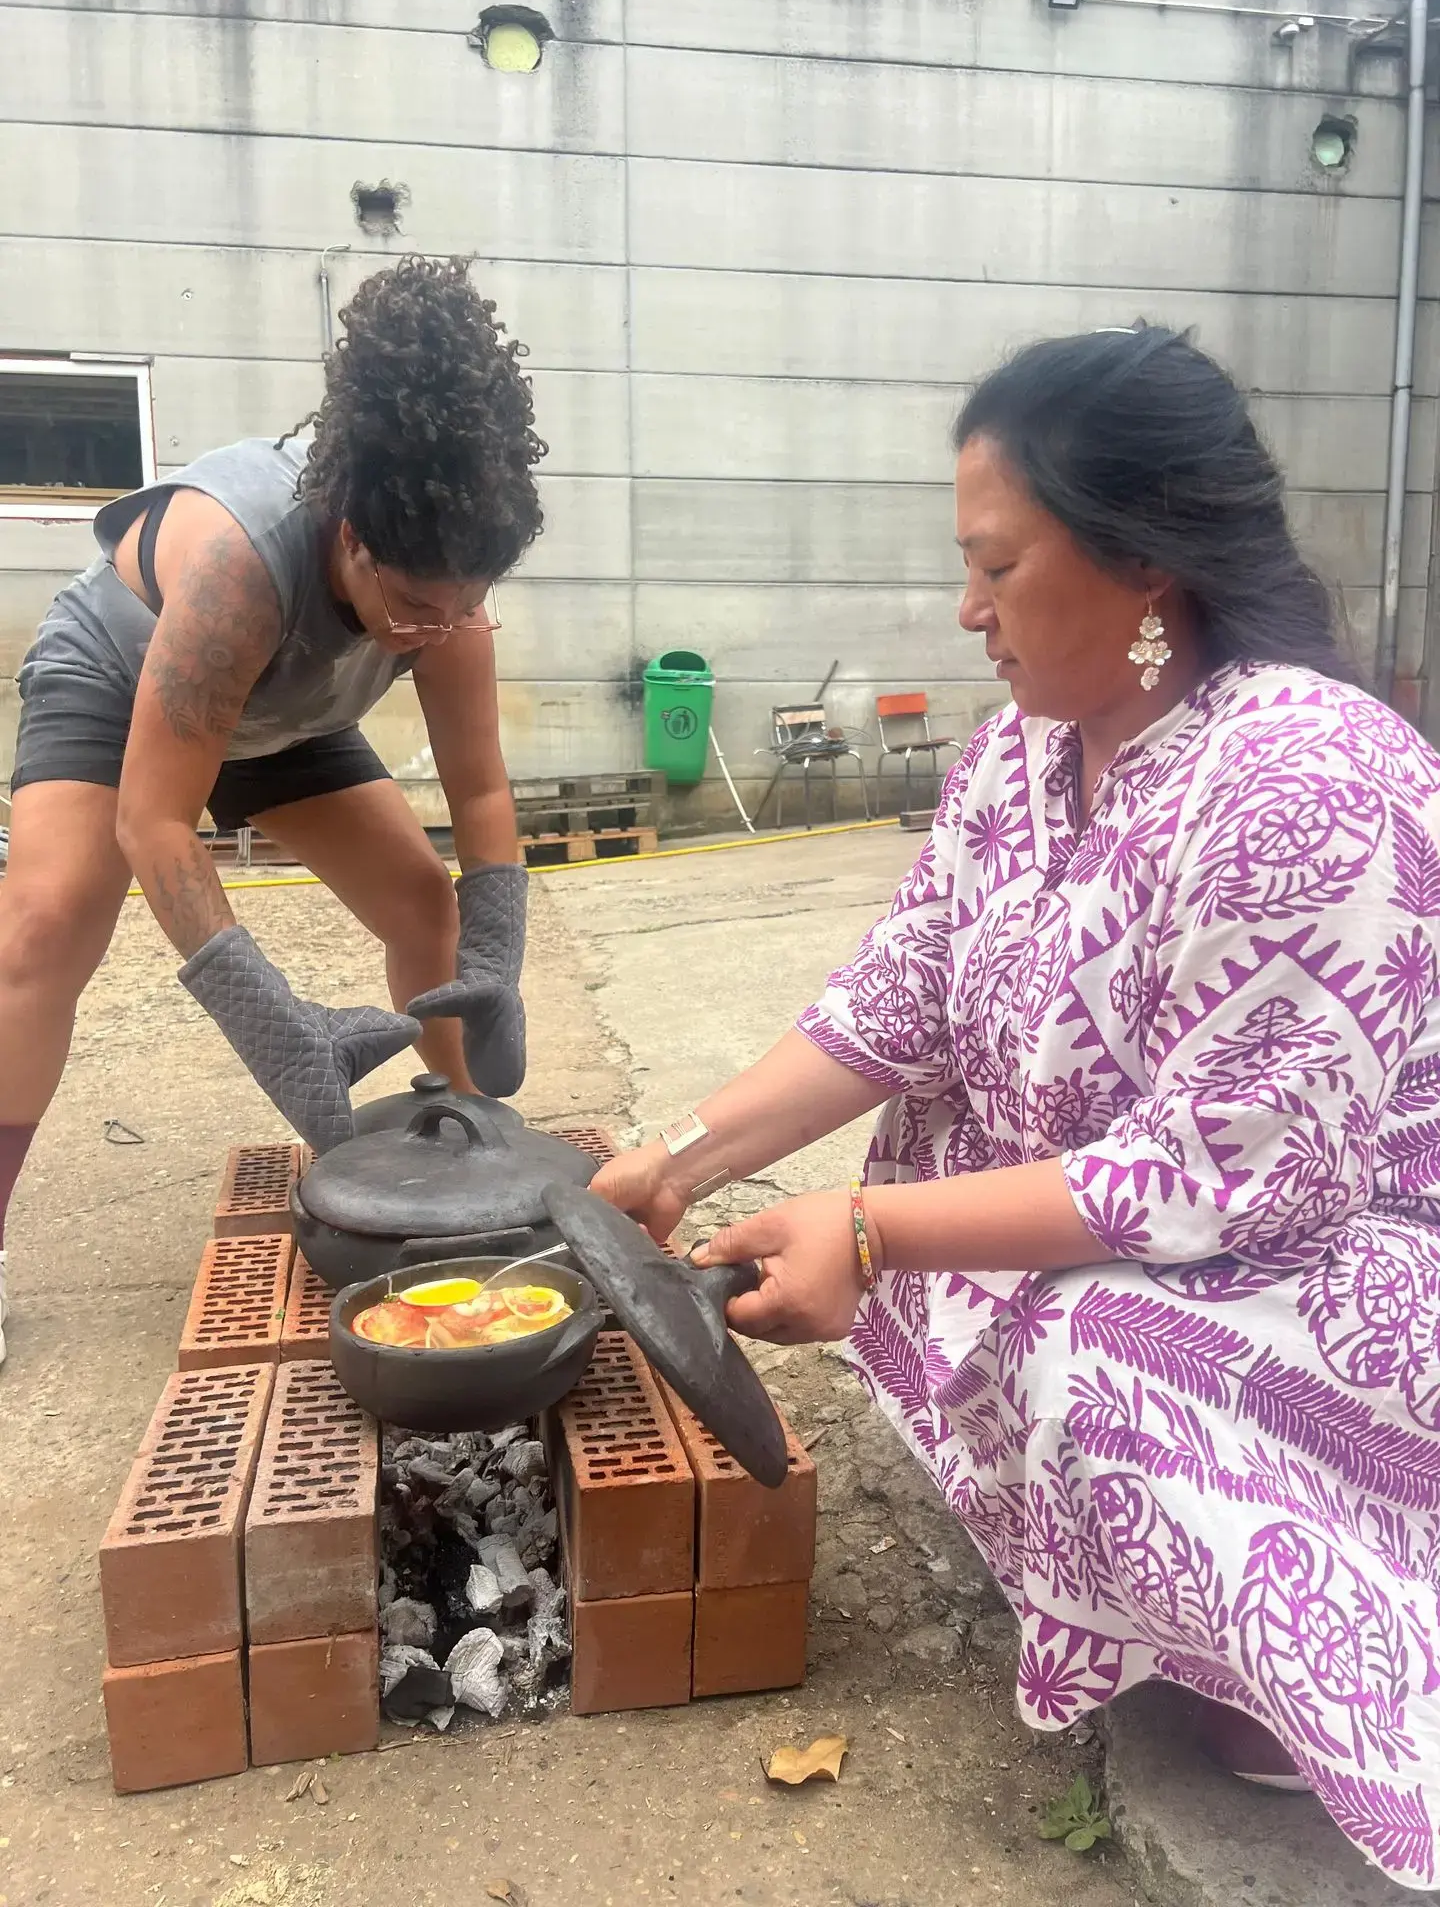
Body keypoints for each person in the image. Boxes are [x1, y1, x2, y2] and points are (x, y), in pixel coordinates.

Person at [594, 327, 1440, 1890]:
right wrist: (680, 1156)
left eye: (995, 564)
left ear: (1141, 564)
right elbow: (899, 993)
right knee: (947, 1189)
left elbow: (1234, 1178)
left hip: (1357, 1249)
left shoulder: (1310, 777)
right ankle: (1127, 1569)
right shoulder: (1023, 757)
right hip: (1172, 1202)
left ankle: (1307, 1641)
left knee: (1093, 1362)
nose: (966, 608)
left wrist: (869, 1228)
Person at [0, 255, 543, 1362]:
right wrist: (277, 1027)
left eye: (465, 609)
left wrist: (496, 961)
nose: (438, 632)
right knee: (43, 928)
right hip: (128, 686)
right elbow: (157, 823)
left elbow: (481, 793)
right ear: (350, 535)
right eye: (416, 606)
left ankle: (467, 1162)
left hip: (282, 716)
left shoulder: (444, 588)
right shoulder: (241, 565)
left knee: (422, 907)